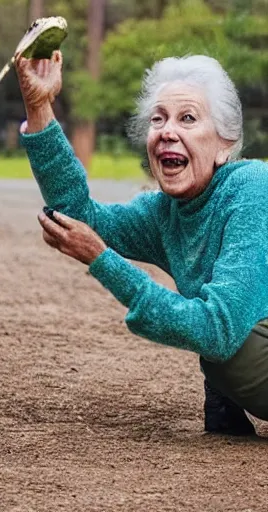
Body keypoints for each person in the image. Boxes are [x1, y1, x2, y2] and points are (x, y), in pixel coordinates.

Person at [15, 50, 268, 436]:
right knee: (227, 342)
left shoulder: (252, 189)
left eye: (187, 118)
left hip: (244, 344)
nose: (167, 131)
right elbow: (81, 218)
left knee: (229, 343)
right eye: (158, 119)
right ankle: (223, 393)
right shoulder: (163, 212)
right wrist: (39, 107)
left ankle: (223, 390)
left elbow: (218, 331)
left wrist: (103, 260)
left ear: (224, 145)